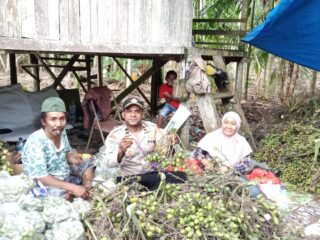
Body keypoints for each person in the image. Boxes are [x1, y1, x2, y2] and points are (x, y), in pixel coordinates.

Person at [104, 97, 186, 189]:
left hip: (153, 174)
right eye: (129, 111)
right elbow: (108, 163)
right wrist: (120, 151)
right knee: (134, 190)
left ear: (142, 114)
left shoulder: (152, 128)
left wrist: (171, 144)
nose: (133, 115)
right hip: (131, 177)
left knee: (182, 177)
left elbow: (165, 154)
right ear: (123, 114)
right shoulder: (115, 135)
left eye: (137, 111)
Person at [22, 97, 94, 199]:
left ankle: (86, 190)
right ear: (43, 121)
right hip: (47, 184)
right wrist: (73, 187)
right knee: (60, 196)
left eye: (62, 119)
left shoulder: (61, 132)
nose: (59, 124)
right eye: (53, 119)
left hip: (65, 176)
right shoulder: (36, 141)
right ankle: (75, 192)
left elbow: (68, 151)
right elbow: (41, 177)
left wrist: (71, 155)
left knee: (88, 163)